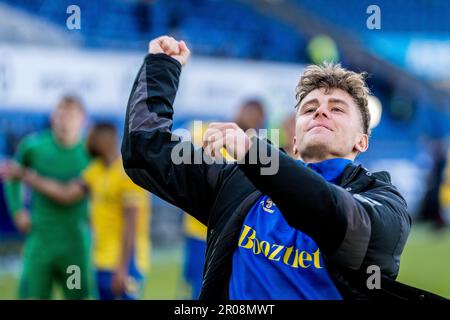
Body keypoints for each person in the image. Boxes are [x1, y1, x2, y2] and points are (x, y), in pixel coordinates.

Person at [120, 36, 441, 300]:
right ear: (296, 139)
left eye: (337, 108)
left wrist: (255, 155)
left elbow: (337, 217)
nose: (320, 113)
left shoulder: (382, 199)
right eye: (310, 108)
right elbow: (145, 152)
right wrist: (162, 67)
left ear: (361, 141)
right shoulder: (241, 183)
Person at [2, 123, 151, 300]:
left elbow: (130, 227)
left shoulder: (129, 174)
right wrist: (27, 176)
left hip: (126, 263)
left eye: (90, 138)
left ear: (104, 141)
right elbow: (65, 194)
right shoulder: (95, 171)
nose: (86, 143)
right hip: (101, 260)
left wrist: (123, 268)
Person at [2, 96, 91, 299]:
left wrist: (27, 176)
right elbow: (11, 175)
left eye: (71, 114)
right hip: (41, 241)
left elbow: (68, 195)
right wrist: (18, 211)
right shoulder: (34, 147)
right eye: (60, 113)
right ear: (53, 117)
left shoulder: (89, 152)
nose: (64, 119)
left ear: (82, 119)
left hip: (74, 245)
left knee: (76, 295)